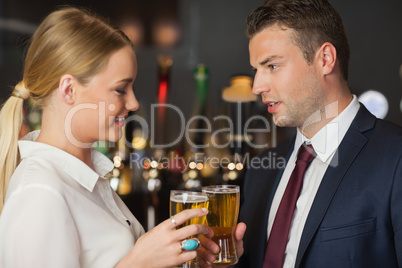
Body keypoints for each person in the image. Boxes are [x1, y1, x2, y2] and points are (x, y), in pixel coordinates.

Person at [0, 7, 221, 268]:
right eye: (120, 89)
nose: (134, 102)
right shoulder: (40, 192)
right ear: (69, 89)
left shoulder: (86, 179)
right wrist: (140, 263)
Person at [237, 0, 402, 267]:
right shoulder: (260, 170)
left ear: (325, 59)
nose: (257, 86)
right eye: (256, 70)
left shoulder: (396, 159)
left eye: (272, 66)